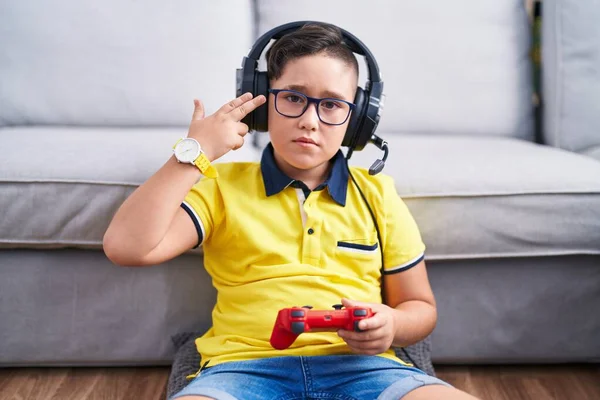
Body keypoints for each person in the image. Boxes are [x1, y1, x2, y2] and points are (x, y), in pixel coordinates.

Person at [103, 22, 479, 400]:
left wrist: (393, 325)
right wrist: (192, 154)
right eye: (294, 98)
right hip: (241, 368)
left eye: (332, 104)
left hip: (365, 368)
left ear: (358, 119)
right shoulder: (221, 185)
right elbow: (127, 247)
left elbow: (420, 306)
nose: (309, 121)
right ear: (263, 101)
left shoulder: (377, 194)